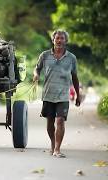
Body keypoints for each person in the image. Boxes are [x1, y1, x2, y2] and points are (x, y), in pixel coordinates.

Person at [33, 29, 81, 158]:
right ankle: (53, 143)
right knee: (50, 122)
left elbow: (75, 77)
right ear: (53, 40)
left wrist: (78, 94)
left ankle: (57, 149)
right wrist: (36, 75)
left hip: (63, 95)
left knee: (60, 120)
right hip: (48, 94)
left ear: (66, 41)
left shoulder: (71, 58)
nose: (59, 40)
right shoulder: (44, 55)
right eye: (57, 38)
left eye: (62, 38)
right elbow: (37, 69)